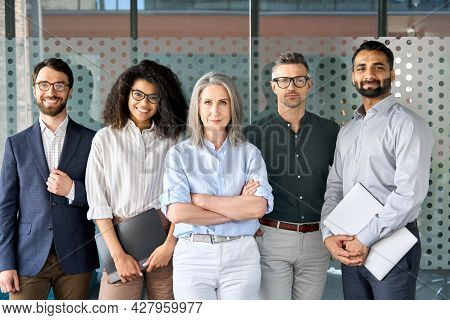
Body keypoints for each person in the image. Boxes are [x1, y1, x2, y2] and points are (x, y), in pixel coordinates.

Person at [321, 40, 434, 300]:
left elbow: (409, 193)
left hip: (392, 245)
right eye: (361, 68)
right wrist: (329, 234)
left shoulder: (408, 125)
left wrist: (365, 238)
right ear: (353, 76)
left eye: (378, 67)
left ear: (392, 74)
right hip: (350, 245)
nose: (369, 74)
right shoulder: (347, 131)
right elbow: (334, 187)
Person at [160, 72, 274, 300]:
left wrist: (200, 200)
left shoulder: (250, 154)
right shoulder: (178, 155)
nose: (215, 111)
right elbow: (178, 212)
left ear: (233, 107)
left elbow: (257, 209)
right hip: (193, 255)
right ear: (197, 108)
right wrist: (236, 210)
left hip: (240, 255)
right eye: (208, 103)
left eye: (223, 102)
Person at [86, 59, 187, 300]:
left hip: (165, 236)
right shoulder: (104, 139)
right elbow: (99, 204)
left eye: (153, 97)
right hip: (120, 237)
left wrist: (169, 246)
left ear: (164, 101)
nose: (144, 103)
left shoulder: (176, 139)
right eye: (138, 94)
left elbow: (185, 197)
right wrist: (118, 255)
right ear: (125, 93)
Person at [0, 58, 98, 299]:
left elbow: (105, 197)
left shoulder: (92, 140)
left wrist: (72, 190)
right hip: (28, 258)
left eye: (59, 85)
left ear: (70, 91)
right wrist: (5, 263)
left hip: (77, 255)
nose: (51, 92)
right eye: (44, 84)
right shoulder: (16, 144)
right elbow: (5, 208)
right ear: (34, 90)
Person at [244, 52, 339, 299]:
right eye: (284, 81)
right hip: (271, 237)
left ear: (309, 84)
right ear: (274, 86)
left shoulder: (330, 132)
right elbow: (237, 188)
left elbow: (343, 184)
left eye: (298, 80)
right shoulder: (252, 134)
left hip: (317, 239)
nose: (291, 87)